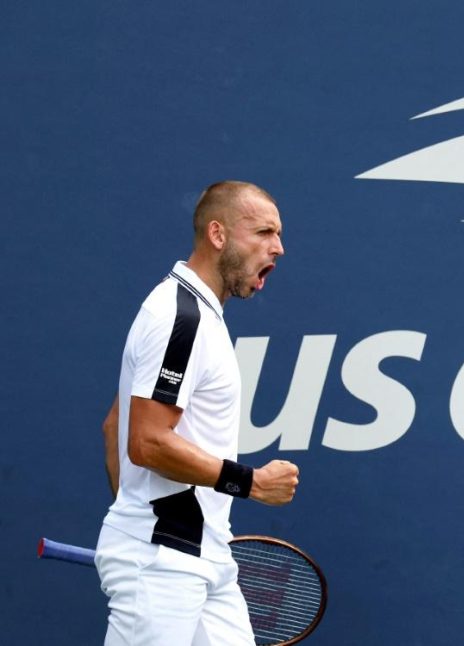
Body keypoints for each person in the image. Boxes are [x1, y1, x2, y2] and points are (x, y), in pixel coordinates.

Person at [96, 180, 300, 646]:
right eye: (265, 232)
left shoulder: (201, 317)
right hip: (163, 565)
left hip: (203, 557)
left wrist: (135, 520)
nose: (279, 248)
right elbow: (144, 441)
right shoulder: (179, 317)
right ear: (218, 234)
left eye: (279, 234)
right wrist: (248, 482)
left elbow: (115, 426)